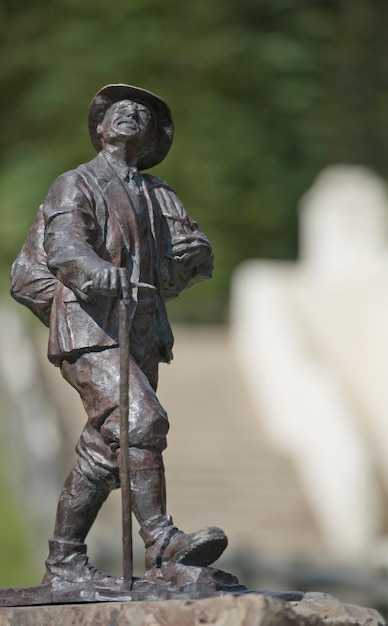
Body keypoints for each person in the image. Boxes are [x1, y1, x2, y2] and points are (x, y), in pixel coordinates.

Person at [10, 84, 227, 586]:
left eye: (141, 114)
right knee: (142, 423)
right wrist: (95, 271)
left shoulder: (159, 194)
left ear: (150, 136)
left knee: (107, 450)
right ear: (102, 129)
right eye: (118, 111)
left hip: (142, 328)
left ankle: (64, 561)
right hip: (89, 324)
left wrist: (193, 258)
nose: (129, 115)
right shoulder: (76, 183)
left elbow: (177, 264)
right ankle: (162, 542)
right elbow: (65, 246)